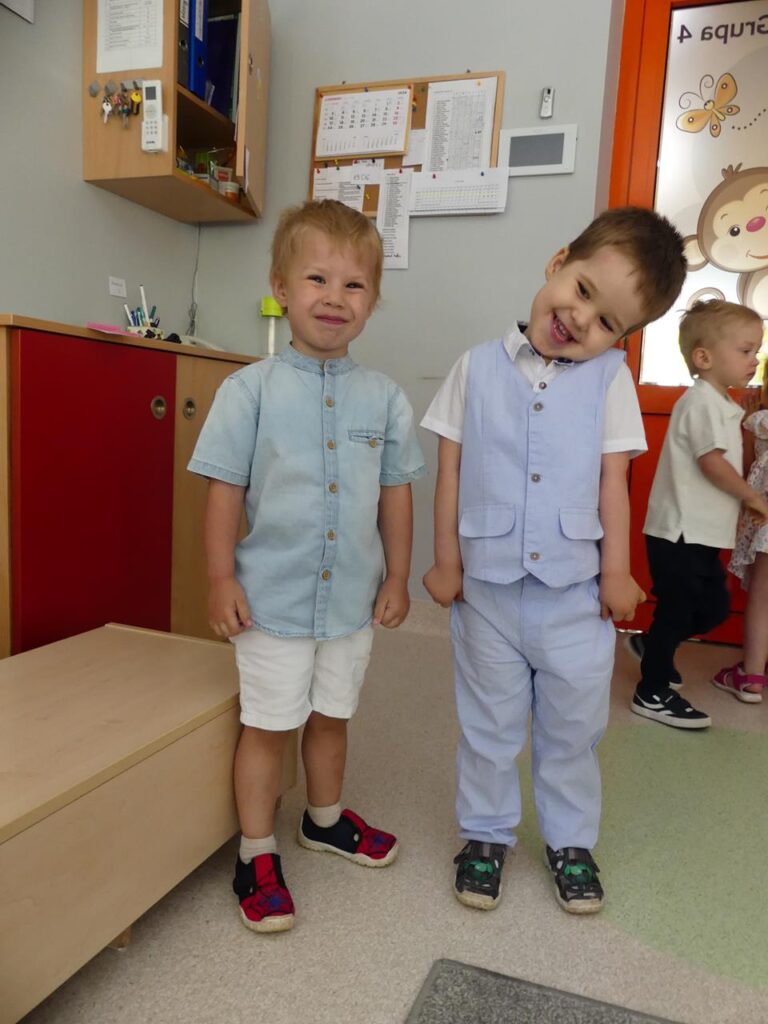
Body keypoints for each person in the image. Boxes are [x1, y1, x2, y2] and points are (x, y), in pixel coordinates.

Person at [421, 206, 686, 915]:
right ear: (558, 262)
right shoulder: (474, 367)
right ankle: (485, 833)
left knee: (572, 728)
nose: (580, 319)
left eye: (607, 323)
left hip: (573, 597)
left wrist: (617, 572)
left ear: (622, 339)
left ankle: (570, 840)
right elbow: (450, 471)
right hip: (487, 594)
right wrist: (445, 560)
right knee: (489, 725)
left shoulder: (611, 382)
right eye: (582, 290)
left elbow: (613, 482)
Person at [188, 199, 426, 933]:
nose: (334, 297)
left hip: (351, 602)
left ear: (372, 302)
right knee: (267, 726)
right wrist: (221, 578)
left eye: (354, 285)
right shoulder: (248, 391)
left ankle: (323, 820)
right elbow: (225, 492)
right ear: (281, 288)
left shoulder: (385, 399)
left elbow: (395, 496)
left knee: (331, 717)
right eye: (317, 278)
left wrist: (397, 577)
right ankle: (255, 852)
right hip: (271, 603)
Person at [630, 299, 768, 727]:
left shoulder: (722, 404)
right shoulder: (701, 403)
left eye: (756, 350)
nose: (755, 359)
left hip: (703, 533)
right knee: (678, 608)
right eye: (745, 350)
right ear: (704, 357)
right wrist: (752, 497)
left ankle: (653, 644)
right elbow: (711, 464)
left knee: (712, 609)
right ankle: (651, 691)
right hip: (680, 531)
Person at [714, 358, 768, 702]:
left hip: (766, 526)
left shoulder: (760, 422)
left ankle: (752, 676)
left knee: (762, 600)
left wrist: (749, 423)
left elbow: (747, 469)